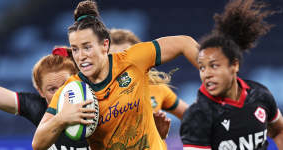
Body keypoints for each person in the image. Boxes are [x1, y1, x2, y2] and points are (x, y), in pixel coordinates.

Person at [32, 0, 199, 149]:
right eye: (75, 49)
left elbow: (184, 43)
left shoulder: (132, 60)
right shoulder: (71, 91)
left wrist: (209, 75)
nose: (80, 56)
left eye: (87, 47)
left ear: (105, 45)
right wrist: (61, 119)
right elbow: (37, 144)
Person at [180, 0, 283, 149]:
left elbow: (279, 131)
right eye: (202, 68)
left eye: (214, 66)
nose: (206, 74)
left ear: (234, 65)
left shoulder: (260, 95)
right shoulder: (198, 116)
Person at [0, 18, 90, 150]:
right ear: (41, 92)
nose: (59, 93)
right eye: (52, 89)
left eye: (65, 85)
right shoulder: (37, 106)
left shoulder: (99, 104)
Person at [109, 28, 189, 139]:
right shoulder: (94, 95)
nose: (121, 66)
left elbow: (195, 118)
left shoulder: (157, 89)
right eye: (114, 60)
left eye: (128, 59)